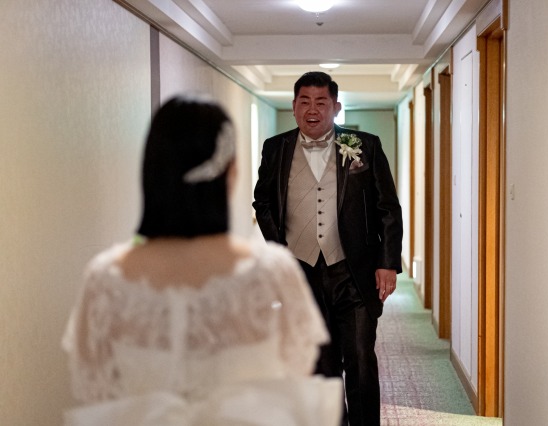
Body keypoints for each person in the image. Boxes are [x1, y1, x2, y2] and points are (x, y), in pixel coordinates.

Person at [62, 94, 342, 426]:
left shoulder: (104, 278)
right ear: (231, 171)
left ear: (151, 171)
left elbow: (96, 393)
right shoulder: (272, 271)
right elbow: (296, 384)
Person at [253, 72, 403, 425]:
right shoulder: (276, 148)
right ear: (294, 107)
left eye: (321, 102)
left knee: (360, 358)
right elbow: (263, 203)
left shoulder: (364, 145)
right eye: (304, 102)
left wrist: (387, 262)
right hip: (302, 271)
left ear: (335, 107)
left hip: (354, 270)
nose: (312, 110)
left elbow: (387, 208)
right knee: (321, 363)